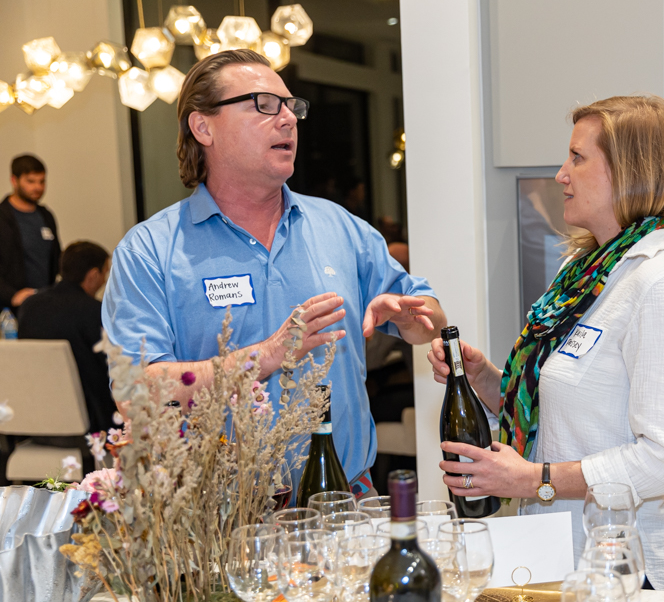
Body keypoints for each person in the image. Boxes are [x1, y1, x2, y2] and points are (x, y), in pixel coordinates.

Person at [102, 49, 446, 497]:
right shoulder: (151, 250)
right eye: (263, 105)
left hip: (343, 504)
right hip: (220, 517)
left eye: (290, 106)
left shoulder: (339, 227)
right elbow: (136, 393)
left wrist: (412, 314)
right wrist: (265, 355)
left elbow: (431, 320)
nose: (287, 119)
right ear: (203, 127)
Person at [427, 95, 664, 592]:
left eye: (577, 158)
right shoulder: (582, 274)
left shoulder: (658, 284)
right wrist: (488, 381)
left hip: (628, 574)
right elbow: (562, 414)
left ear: (629, 172)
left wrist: (535, 478)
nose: (561, 174)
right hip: (557, 558)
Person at [18, 241, 117, 436]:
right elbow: (111, 367)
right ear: (93, 275)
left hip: (33, 421)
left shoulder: (29, 307)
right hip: (90, 425)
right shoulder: (94, 311)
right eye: (105, 273)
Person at [0, 154, 60, 310]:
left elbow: (56, 257)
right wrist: (11, 296)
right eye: (31, 181)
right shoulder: (3, 217)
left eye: (42, 181)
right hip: (10, 308)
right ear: (14, 180)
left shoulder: (46, 215)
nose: (38, 187)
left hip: (45, 304)